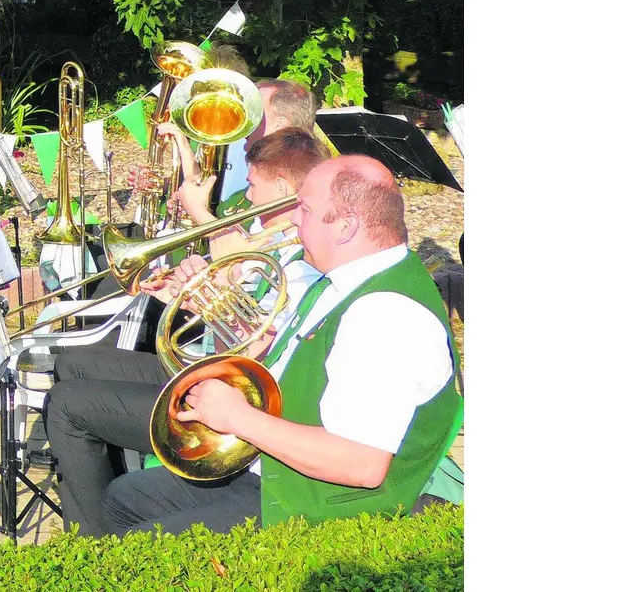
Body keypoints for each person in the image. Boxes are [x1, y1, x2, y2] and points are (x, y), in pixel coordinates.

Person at [99, 155, 459, 537]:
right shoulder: (340, 280)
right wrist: (214, 308)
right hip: (279, 471)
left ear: (346, 227)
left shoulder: (385, 315)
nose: (294, 220)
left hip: (319, 507)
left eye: (305, 209)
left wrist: (238, 418)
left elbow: (362, 465)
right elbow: (285, 363)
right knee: (124, 498)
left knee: (141, 539)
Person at [44, 128, 328, 537]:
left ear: (282, 187)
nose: (246, 196)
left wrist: (207, 300)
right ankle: (100, 493)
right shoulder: (277, 244)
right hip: (211, 370)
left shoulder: (300, 265)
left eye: (253, 186)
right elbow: (246, 330)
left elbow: (260, 354)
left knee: (68, 403)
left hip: (230, 393)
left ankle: (91, 542)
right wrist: (196, 297)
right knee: (73, 365)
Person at [159, 78, 317, 215]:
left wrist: (198, 212)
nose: (244, 119)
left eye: (255, 112)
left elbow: (246, 244)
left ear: (280, 125)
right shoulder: (255, 167)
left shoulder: (285, 182)